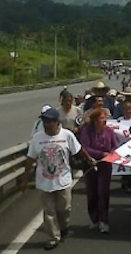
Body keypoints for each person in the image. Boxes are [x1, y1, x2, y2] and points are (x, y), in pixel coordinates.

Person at [22, 107, 96, 251]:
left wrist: (89, 159)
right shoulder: (38, 138)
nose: (47, 124)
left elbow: (79, 150)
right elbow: (30, 159)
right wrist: (25, 179)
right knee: (49, 211)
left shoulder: (66, 135)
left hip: (63, 180)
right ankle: (53, 237)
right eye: (44, 121)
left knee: (64, 208)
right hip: (45, 182)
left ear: (57, 122)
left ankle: (64, 227)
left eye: (50, 121)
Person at [80, 108, 119, 234]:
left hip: (105, 166)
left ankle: (104, 220)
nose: (105, 120)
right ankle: (94, 218)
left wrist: (111, 152)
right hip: (91, 165)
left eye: (105, 117)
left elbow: (114, 145)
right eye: (102, 118)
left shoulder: (109, 131)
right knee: (92, 194)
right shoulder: (86, 131)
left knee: (103, 193)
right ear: (96, 120)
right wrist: (101, 153)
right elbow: (85, 147)